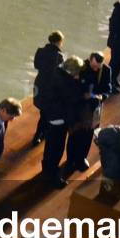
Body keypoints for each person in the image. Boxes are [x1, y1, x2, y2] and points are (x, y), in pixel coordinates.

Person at [40, 56, 85, 188]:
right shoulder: (66, 81)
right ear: (72, 71)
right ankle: (52, 175)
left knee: (50, 146)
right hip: (59, 119)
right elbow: (72, 98)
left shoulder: (55, 74)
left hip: (51, 116)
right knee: (57, 148)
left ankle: (46, 169)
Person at [32, 31, 65, 146]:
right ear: (59, 42)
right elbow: (61, 72)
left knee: (43, 110)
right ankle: (39, 135)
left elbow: (36, 65)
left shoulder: (40, 51)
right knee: (47, 112)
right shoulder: (59, 56)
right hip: (51, 86)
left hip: (40, 83)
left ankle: (40, 134)